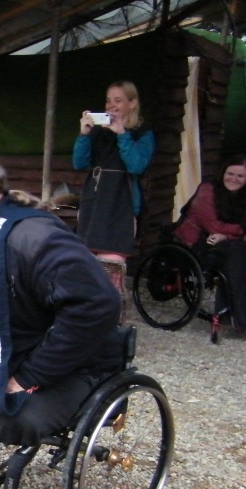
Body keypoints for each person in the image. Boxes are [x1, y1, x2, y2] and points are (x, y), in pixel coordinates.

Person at [0, 146, 123, 447]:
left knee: (15, 421)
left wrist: (29, 376)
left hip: (76, 367)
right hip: (16, 352)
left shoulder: (34, 241)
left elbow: (99, 305)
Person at [73, 80, 155, 315]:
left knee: (112, 264)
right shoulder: (98, 131)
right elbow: (80, 162)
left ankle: (110, 316)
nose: (111, 105)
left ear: (132, 103)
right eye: (109, 100)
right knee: (87, 260)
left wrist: (122, 135)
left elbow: (137, 165)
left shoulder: (143, 132)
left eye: (118, 100)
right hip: (95, 199)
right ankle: (85, 314)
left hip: (121, 201)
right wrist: (84, 135)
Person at [173, 155, 246, 333]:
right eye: (230, 173)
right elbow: (212, 226)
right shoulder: (208, 191)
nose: (234, 179)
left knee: (237, 250)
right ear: (222, 172)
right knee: (237, 252)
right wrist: (240, 231)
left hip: (227, 244)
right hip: (199, 243)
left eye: (240, 176)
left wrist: (226, 236)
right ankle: (241, 317)